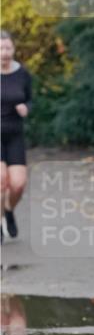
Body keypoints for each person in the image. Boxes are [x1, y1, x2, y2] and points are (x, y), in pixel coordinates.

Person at [1, 30, 32, 241]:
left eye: (8, 48)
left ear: (14, 49)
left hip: (14, 133)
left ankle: (9, 210)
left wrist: (26, 108)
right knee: (1, 180)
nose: (4, 52)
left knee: (18, 184)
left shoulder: (23, 73)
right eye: (1, 49)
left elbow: (30, 99)